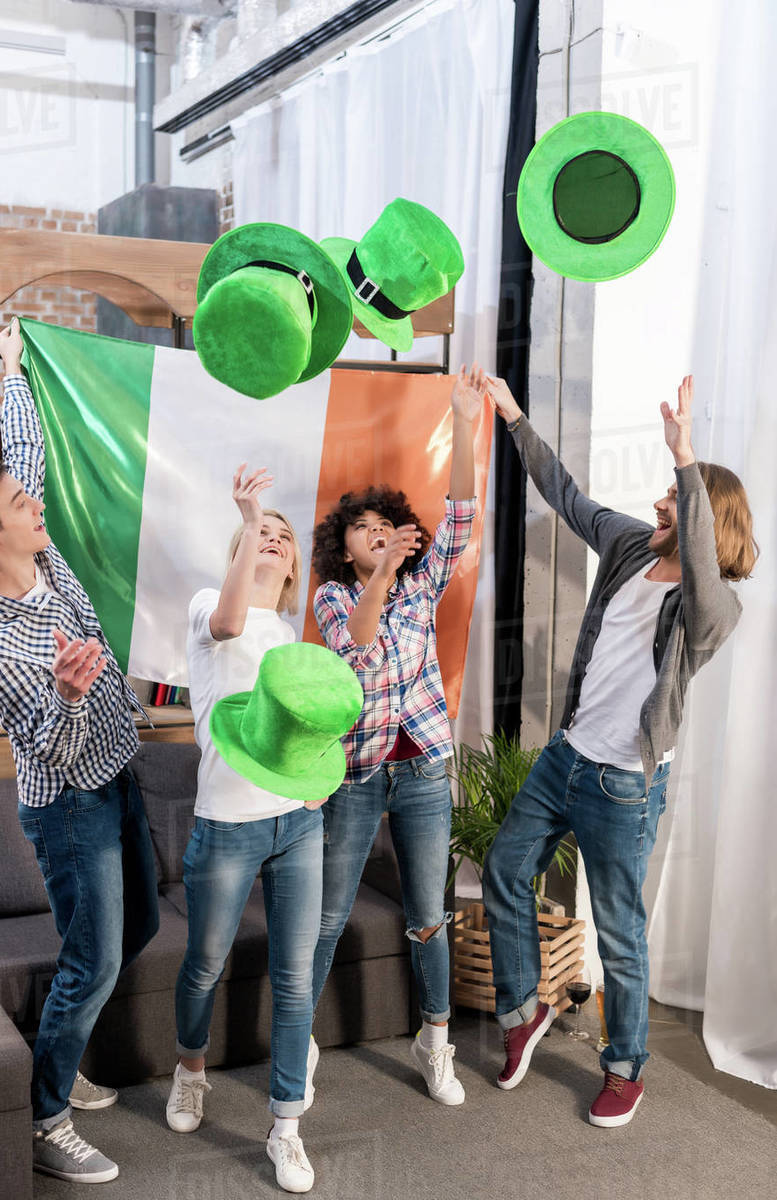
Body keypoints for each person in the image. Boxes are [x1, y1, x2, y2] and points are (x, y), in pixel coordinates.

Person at [482, 373, 758, 1127]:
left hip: (622, 787)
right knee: (504, 872)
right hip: (564, 758)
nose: (659, 505)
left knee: (620, 932)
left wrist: (685, 457)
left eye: (674, 501)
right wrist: (512, 417)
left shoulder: (712, 610)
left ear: (705, 516)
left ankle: (623, 1068)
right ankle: (520, 1015)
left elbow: (700, 562)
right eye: (667, 496)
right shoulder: (632, 547)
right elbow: (566, 495)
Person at [0, 319, 160, 1183]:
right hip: (66, 803)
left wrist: (14, 368)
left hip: (118, 771)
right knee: (91, 958)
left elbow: (26, 458)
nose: (37, 504)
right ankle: (46, 1116)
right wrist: (70, 694)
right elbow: (45, 742)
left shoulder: (37, 553)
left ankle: (61, 1055)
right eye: (21, 506)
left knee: (139, 927)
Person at [310, 364, 486, 1106]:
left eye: (388, 528)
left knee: (426, 915)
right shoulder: (330, 596)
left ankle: (435, 1041)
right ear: (345, 547)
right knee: (325, 916)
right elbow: (356, 648)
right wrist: (380, 574)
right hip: (355, 774)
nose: (379, 536)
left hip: (420, 772)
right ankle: (301, 1039)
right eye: (364, 530)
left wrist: (463, 419)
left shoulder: (421, 585)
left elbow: (463, 511)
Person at [167, 464, 323, 1195]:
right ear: (239, 545)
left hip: (297, 823)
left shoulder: (292, 634)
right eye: (261, 532)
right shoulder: (209, 607)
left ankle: (286, 1127)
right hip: (226, 827)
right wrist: (251, 513)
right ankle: (190, 1068)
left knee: (294, 982)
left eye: (283, 535)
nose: (273, 537)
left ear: (292, 566)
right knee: (204, 964)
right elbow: (231, 623)